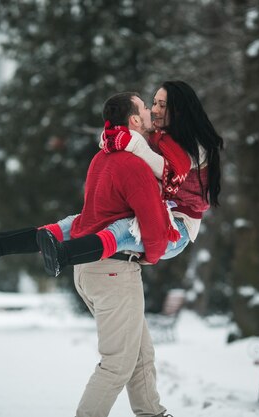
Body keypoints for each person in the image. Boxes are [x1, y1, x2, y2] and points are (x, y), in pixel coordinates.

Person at [0, 80, 223, 277]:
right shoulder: (160, 135)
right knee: (72, 223)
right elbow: (128, 134)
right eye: (152, 103)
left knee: (118, 232)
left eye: (160, 105)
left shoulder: (193, 146)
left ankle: (64, 256)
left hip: (176, 229)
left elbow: (171, 177)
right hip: (150, 215)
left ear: (180, 110)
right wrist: (114, 137)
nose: (153, 110)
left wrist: (134, 144)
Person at [59, 91, 173, 417]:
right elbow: (153, 224)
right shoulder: (133, 164)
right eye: (145, 109)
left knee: (139, 355)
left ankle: (153, 413)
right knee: (117, 365)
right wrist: (153, 254)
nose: (152, 112)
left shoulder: (101, 158)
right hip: (113, 271)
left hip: (91, 269)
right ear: (134, 120)